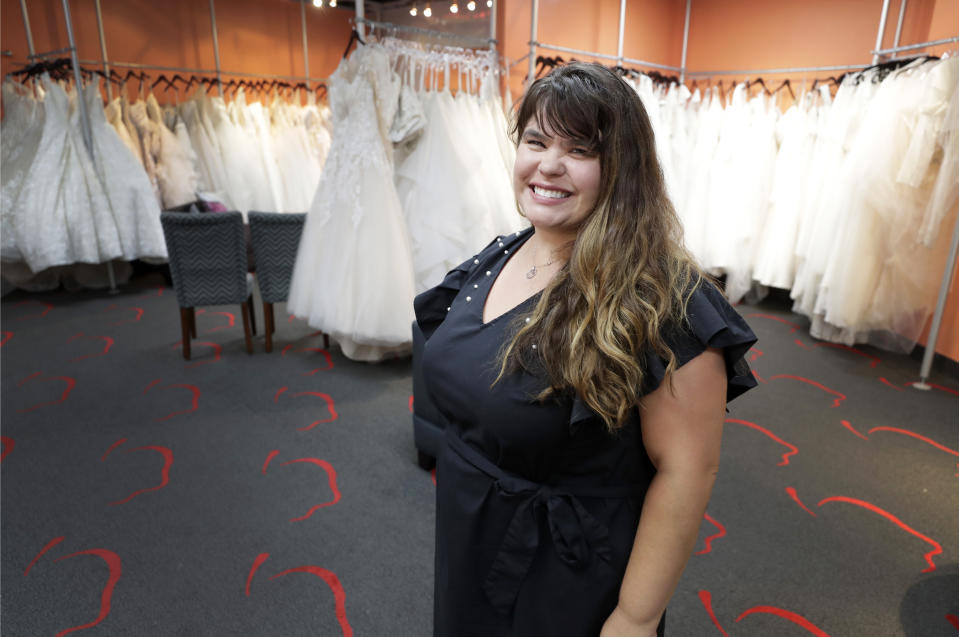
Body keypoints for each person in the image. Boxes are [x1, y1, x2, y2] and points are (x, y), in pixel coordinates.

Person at [414, 62, 758, 637]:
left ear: (623, 169)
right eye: (536, 140)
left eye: (579, 150)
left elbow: (688, 470)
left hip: (566, 574)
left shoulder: (662, 302)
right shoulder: (504, 253)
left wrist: (635, 618)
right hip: (471, 534)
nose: (549, 165)